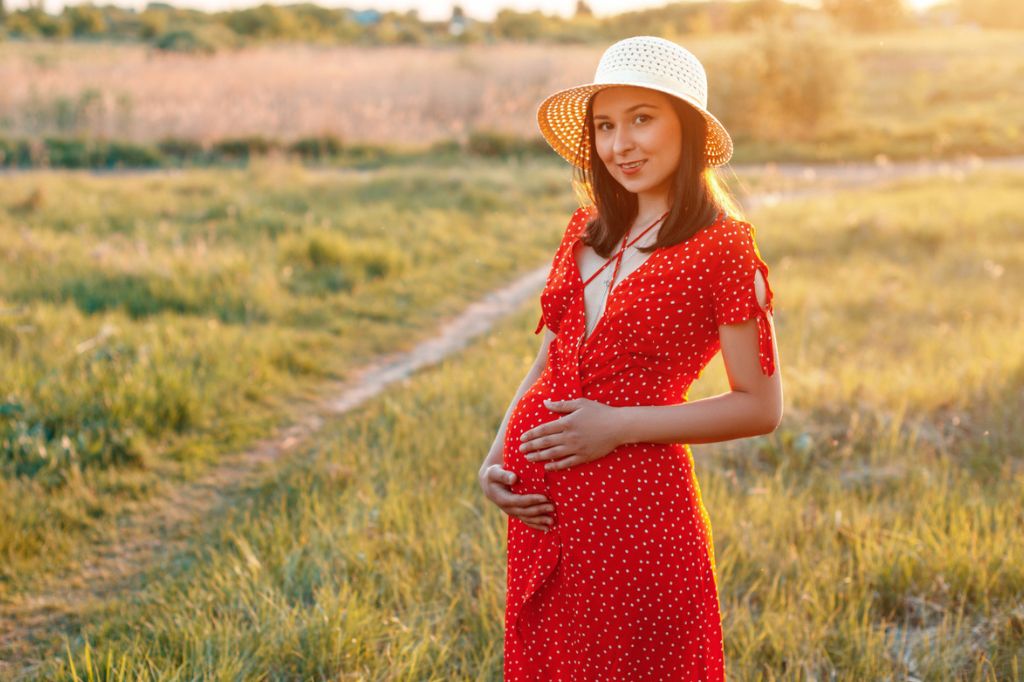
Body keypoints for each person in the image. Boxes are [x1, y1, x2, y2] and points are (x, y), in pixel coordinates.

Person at [477, 35, 783, 680]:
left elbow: (760, 406)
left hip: (638, 516)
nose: (621, 145)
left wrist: (616, 426)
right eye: (606, 126)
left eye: (642, 118)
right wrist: (499, 453)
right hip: (543, 516)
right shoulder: (585, 230)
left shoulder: (722, 248)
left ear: (687, 128)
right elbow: (549, 361)